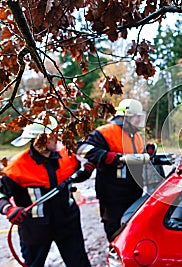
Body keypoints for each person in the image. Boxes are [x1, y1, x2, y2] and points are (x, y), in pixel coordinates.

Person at [0, 116, 93, 267]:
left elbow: (74, 178)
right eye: (52, 136)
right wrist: (8, 209)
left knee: (79, 263)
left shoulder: (67, 157)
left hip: (67, 223)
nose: (57, 138)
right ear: (37, 139)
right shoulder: (16, 167)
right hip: (35, 229)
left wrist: (86, 173)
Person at [77, 99, 148, 242]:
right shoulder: (106, 132)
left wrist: (148, 152)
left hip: (133, 192)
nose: (138, 120)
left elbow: (136, 157)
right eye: (136, 116)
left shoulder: (136, 136)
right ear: (125, 117)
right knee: (115, 229)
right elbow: (81, 148)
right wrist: (106, 156)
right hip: (112, 195)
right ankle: (115, 257)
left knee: (131, 228)